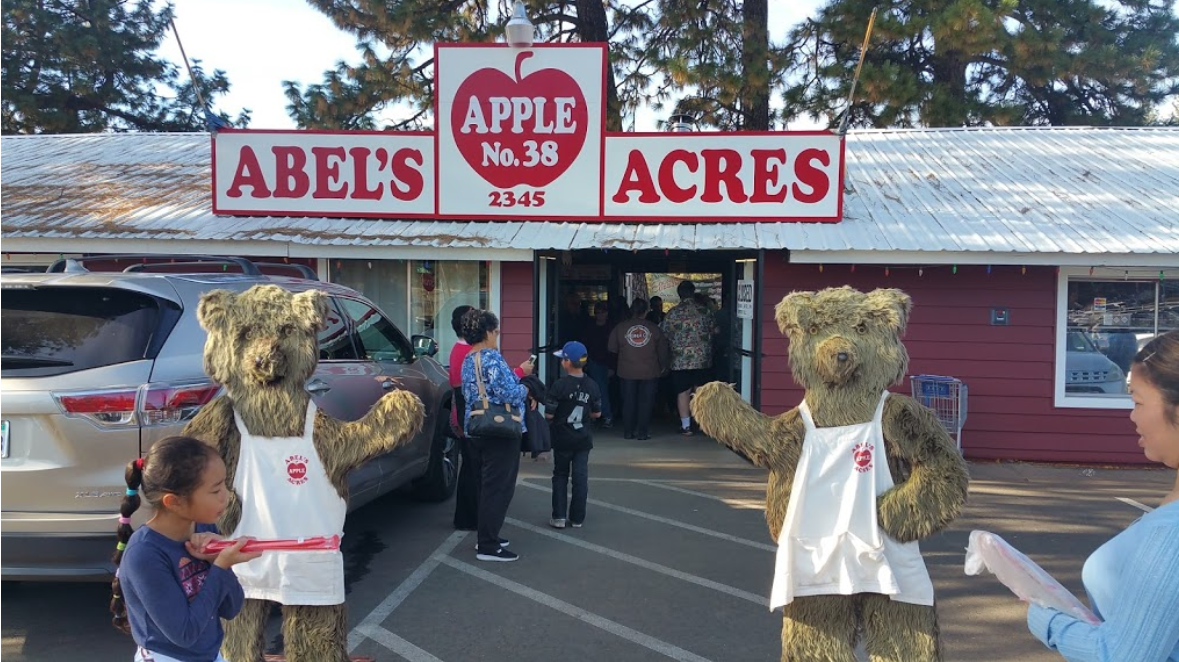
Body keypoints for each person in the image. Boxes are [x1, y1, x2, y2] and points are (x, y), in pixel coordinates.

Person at [1027, 329, 1179, 662]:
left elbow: (1121, 655)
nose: (1132, 415)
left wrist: (1043, 617)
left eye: (1138, 401)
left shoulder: (1172, 533)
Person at [111, 436, 261, 662]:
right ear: (174, 502)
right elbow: (185, 633)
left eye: (224, 485)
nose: (226, 496)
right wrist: (221, 565)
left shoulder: (202, 529)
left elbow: (231, 608)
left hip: (209, 655)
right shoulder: (144, 554)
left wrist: (216, 560)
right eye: (215, 490)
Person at [449, 306, 532, 531]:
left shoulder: (468, 358)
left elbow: (467, 393)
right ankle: (489, 544)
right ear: (486, 332)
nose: (497, 335)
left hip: (476, 426)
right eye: (496, 331)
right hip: (499, 428)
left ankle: (485, 539)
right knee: (498, 489)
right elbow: (509, 393)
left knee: (484, 485)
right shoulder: (492, 358)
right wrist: (526, 389)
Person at [545, 341, 601, 529]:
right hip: (583, 438)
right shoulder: (592, 385)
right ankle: (577, 517)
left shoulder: (559, 386)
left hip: (562, 437)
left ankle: (559, 516)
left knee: (560, 475)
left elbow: (549, 414)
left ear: (566, 362)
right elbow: (597, 413)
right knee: (580, 477)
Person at [608, 298, 670, 440]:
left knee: (628, 402)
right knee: (646, 402)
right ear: (646, 310)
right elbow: (662, 350)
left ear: (631, 310)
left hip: (626, 370)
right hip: (650, 370)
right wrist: (664, 366)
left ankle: (628, 432)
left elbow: (612, 349)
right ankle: (643, 433)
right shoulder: (654, 328)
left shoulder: (620, 327)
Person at [661, 280, 717, 436]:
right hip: (702, 359)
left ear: (679, 294)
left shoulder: (673, 313)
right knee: (700, 392)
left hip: (680, 361)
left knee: (682, 392)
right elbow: (715, 330)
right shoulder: (705, 311)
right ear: (693, 292)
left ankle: (686, 427)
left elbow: (664, 334)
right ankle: (702, 424)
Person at [583, 303, 614, 428]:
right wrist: (584, 362)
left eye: (603, 312)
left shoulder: (612, 328)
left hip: (607, 362)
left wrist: (612, 367)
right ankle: (601, 415)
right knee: (595, 389)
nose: (600, 314)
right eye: (598, 312)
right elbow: (585, 346)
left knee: (604, 389)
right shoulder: (590, 327)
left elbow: (614, 349)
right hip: (593, 361)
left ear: (607, 313)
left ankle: (604, 414)